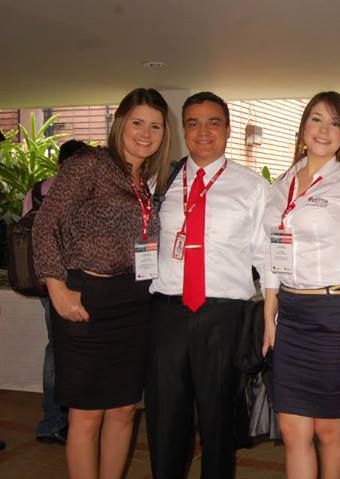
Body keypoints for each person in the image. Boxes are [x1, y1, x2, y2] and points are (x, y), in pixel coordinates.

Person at [33, 88, 172, 479]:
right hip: (88, 301)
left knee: (124, 410)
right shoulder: (89, 165)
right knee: (87, 414)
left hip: (134, 303)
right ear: (120, 123)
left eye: (156, 126)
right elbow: (46, 225)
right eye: (137, 122)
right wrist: (56, 288)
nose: (146, 133)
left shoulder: (142, 179)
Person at [146, 91, 268, 479]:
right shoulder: (160, 183)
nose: (203, 132)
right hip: (168, 315)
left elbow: (266, 257)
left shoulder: (252, 187)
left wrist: (271, 315)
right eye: (193, 123)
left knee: (219, 423)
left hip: (224, 317)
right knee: (165, 421)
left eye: (213, 123)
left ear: (228, 130)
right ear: (183, 130)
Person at [262, 91, 340, 479]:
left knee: (329, 430)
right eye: (316, 119)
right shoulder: (281, 185)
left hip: (335, 316)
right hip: (290, 316)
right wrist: (269, 315)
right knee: (292, 429)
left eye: (334, 123)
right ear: (303, 128)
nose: (324, 130)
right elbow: (271, 251)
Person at [22, 139, 87, 446]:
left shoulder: (36, 191)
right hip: (70, 283)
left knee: (55, 349)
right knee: (67, 351)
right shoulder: (78, 192)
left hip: (42, 282)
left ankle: (54, 420)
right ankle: (60, 421)